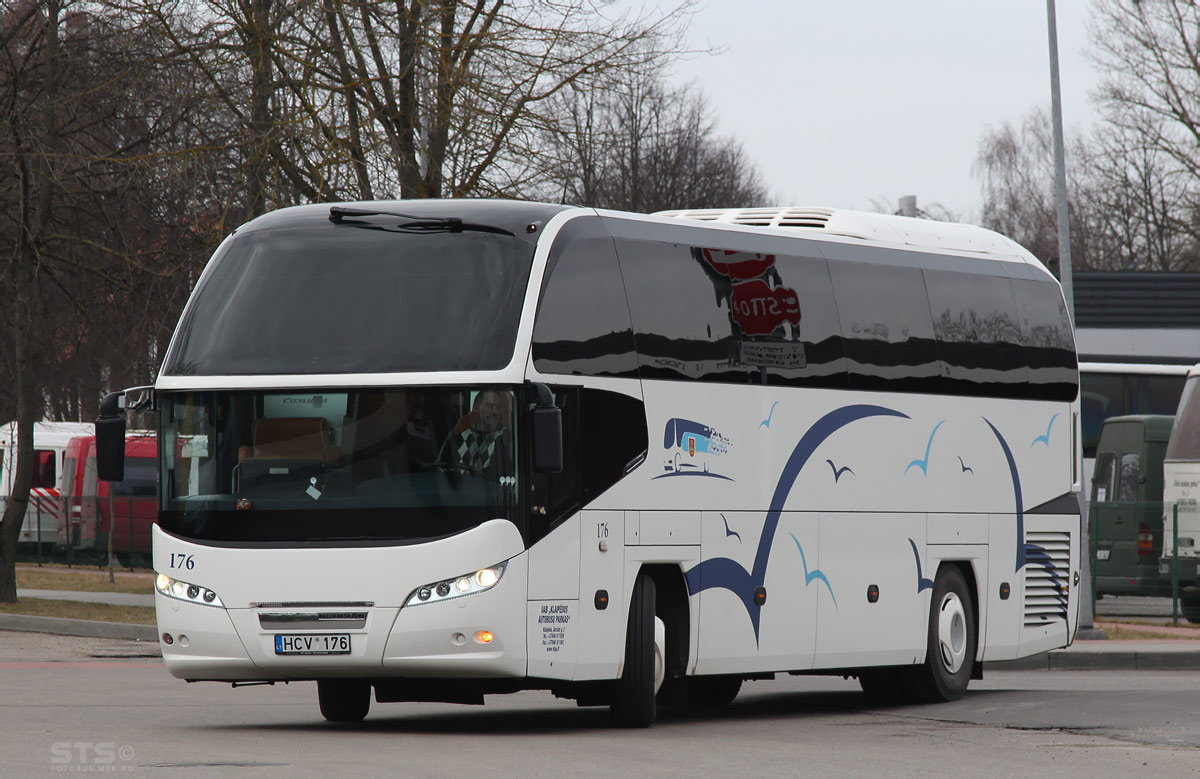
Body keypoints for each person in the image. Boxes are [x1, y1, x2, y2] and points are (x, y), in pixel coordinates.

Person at [449, 390, 514, 479]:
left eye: (498, 408)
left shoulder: (506, 437)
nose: (495, 411)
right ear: (476, 408)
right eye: (490, 406)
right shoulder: (461, 435)